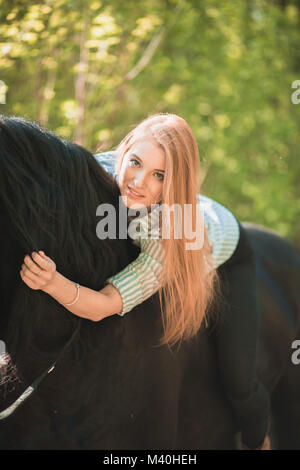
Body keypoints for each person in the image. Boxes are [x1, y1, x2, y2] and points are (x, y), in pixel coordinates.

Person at [20, 113, 271, 450]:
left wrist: (53, 283)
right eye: (135, 162)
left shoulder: (168, 236)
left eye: (158, 176)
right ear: (123, 152)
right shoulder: (100, 170)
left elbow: (105, 305)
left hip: (229, 246)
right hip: (177, 210)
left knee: (239, 380)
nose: (138, 181)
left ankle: (259, 441)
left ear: (171, 185)